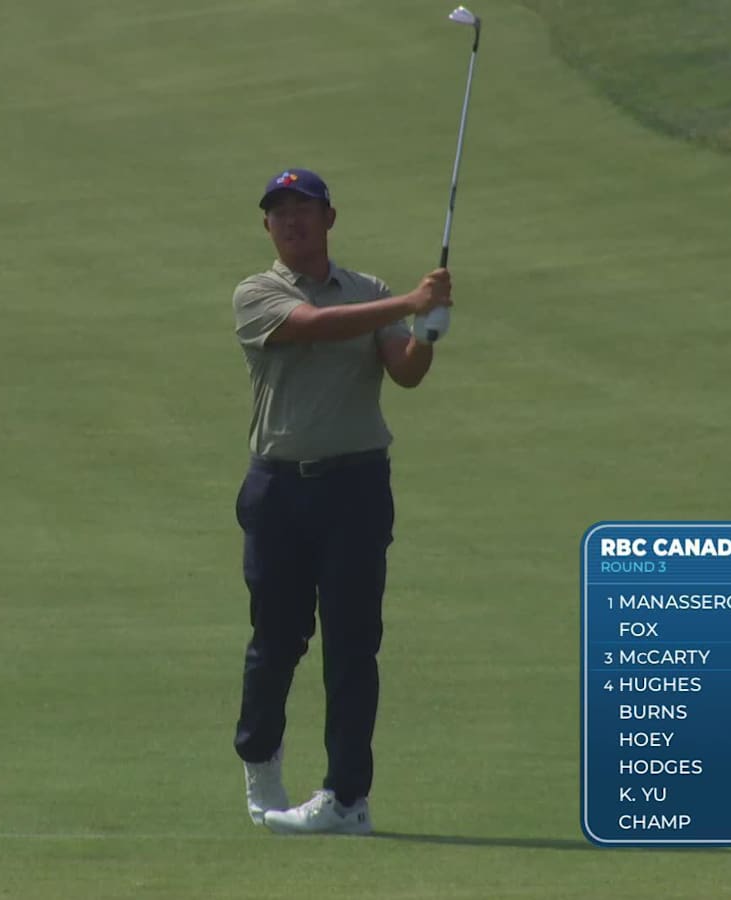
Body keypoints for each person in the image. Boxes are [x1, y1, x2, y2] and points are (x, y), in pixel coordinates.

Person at [230, 168, 452, 835]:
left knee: (355, 645)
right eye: (280, 212)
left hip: (357, 487)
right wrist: (410, 302)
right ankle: (260, 758)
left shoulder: (370, 291)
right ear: (267, 225)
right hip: (280, 488)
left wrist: (431, 328)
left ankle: (347, 799)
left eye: (305, 208)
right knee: (277, 639)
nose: (292, 220)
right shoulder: (257, 293)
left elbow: (406, 373)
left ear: (331, 218)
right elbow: (312, 327)